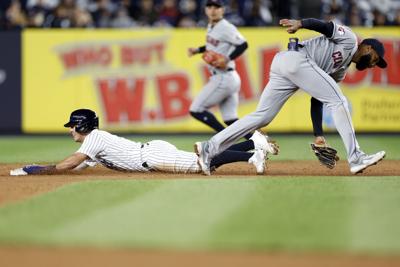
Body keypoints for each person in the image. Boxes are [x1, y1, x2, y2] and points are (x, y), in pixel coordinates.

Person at [195, 18, 387, 175]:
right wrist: (301, 24)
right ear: (368, 48)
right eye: (375, 60)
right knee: (339, 101)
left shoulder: (341, 72)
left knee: (262, 116)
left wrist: (318, 134)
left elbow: (317, 98)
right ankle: (357, 158)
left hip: (285, 65)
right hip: (295, 59)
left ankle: (209, 148)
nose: (373, 65)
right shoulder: (351, 40)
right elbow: (326, 27)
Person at [10, 109, 279, 176]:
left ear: (81, 126)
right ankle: (252, 143)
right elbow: (79, 166)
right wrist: (39, 168)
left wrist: (47, 169)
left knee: (202, 164)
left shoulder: (94, 137)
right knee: (203, 160)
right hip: (152, 153)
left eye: (72, 126)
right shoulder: (95, 140)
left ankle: (250, 154)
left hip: (152, 157)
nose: (70, 130)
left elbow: (72, 162)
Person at [187, 0, 252, 139]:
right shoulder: (211, 25)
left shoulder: (226, 27)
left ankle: (224, 139)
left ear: (222, 10)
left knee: (196, 110)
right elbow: (211, 46)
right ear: (205, 10)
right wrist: (198, 50)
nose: (213, 9)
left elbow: (243, 44)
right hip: (229, 77)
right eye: (209, 6)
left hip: (223, 77)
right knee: (230, 119)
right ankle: (257, 141)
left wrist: (227, 58)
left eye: (216, 7)